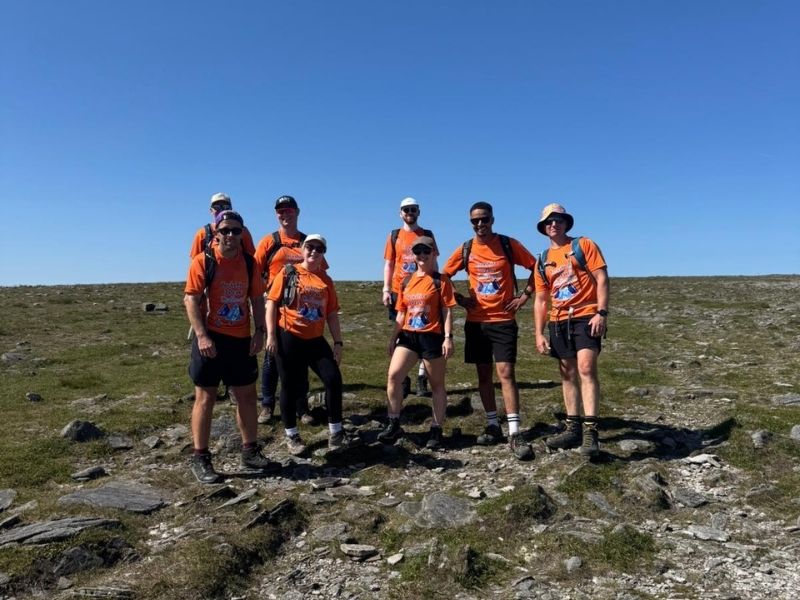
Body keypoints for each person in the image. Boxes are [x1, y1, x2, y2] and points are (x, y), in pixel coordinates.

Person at [184, 210, 280, 484]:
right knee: (206, 397)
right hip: (211, 338)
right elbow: (191, 300)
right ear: (215, 233)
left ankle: (250, 452)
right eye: (224, 230)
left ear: (242, 234)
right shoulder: (204, 262)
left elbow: (257, 299)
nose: (230, 235)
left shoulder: (249, 264)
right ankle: (200, 457)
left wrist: (259, 331)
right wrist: (202, 336)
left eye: (235, 230)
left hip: (240, 339)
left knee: (247, 396)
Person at [443, 201, 537, 461]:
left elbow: (536, 267)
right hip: (476, 322)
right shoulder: (466, 249)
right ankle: (493, 424)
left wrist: (524, 296)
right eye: (475, 221)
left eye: (484, 219)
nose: (480, 224)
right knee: (483, 374)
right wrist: (460, 300)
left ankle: (515, 431)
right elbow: (443, 277)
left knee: (506, 373)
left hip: (504, 320)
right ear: (470, 222)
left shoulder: (508, 244)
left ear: (492, 219)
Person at [265, 234, 360, 455]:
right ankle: (292, 436)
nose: (314, 252)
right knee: (289, 385)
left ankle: (335, 433)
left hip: (315, 339)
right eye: (310, 247)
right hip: (288, 336)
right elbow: (271, 303)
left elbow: (332, 313)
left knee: (333, 379)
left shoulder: (326, 280)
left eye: (319, 249)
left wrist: (338, 342)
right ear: (302, 249)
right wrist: (271, 335)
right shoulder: (289, 272)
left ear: (323, 254)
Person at [533, 204, 609, 457]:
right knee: (567, 373)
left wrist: (602, 312)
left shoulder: (584, 245)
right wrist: (538, 332)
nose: (553, 224)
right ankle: (572, 426)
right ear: (544, 228)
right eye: (548, 222)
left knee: (586, 368)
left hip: (586, 315)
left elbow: (602, 278)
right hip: (558, 320)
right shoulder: (542, 259)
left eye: (557, 220)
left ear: (566, 223)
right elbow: (542, 300)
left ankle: (591, 431)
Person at [254, 196, 327, 426]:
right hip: (274, 307)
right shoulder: (269, 241)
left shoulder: (308, 242)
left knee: (301, 359)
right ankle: (267, 405)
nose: (285, 215)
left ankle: (301, 405)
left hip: (302, 312)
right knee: (271, 356)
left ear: (297, 212)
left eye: (289, 210)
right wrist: (260, 297)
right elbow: (255, 272)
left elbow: (322, 272)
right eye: (280, 211)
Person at [378, 236, 456, 449]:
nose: (422, 255)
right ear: (413, 255)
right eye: (418, 251)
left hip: (432, 337)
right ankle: (393, 422)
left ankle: (436, 429)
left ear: (434, 254)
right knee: (394, 376)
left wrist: (448, 338)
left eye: (426, 251)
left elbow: (447, 310)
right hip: (409, 337)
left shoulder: (441, 280)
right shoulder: (406, 281)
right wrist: (393, 337)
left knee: (437, 385)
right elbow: (402, 312)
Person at [382, 197, 439, 398]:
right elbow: (389, 263)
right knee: (402, 334)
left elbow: (434, 261)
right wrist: (386, 289)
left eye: (413, 209)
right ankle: (402, 378)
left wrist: (437, 286)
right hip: (400, 291)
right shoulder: (394, 235)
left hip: (424, 290)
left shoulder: (427, 234)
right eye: (406, 209)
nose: (409, 212)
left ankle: (422, 378)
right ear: (400, 213)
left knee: (425, 332)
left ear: (418, 212)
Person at [189, 193, 256, 259]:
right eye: (217, 207)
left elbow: (252, 257)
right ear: (211, 211)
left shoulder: (242, 231)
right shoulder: (202, 234)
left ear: (231, 209)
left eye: (225, 207)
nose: (221, 210)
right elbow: (195, 263)